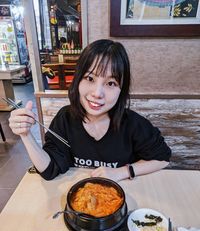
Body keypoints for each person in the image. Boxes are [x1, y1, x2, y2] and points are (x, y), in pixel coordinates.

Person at [9, 39, 171, 182]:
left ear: (121, 89)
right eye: (90, 78)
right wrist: (26, 135)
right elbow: (50, 170)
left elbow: (163, 158)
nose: (97, 93)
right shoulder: (65, 118)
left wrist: (121, 172)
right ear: (78, 80)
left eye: (111, 83)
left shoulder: (133, 124)